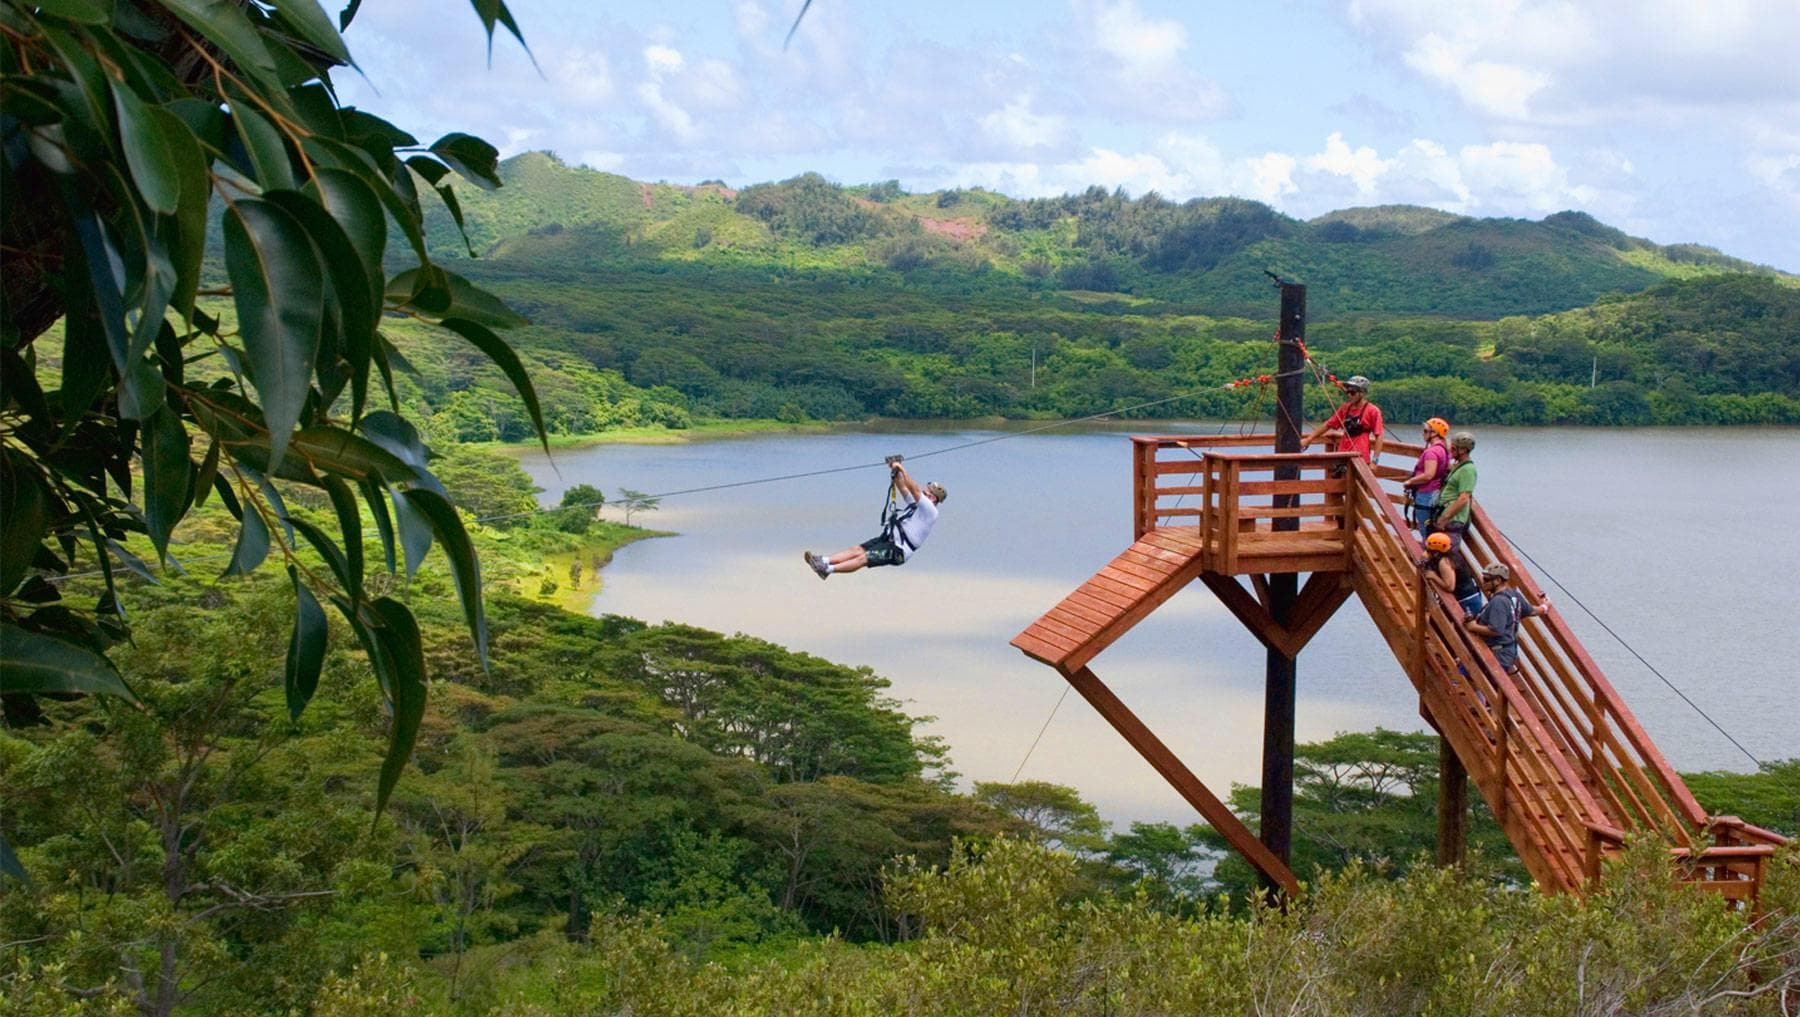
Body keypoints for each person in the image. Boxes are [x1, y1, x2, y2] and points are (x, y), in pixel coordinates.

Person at [805, 460, 945, 579]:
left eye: (926, 492)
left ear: (933, 498)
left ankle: (827, 570)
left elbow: (913, 488)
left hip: (898, 550)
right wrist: (895, 470)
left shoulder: (931, 511)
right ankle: (823, 560)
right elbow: (902, 486)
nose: (923, 491)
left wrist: (902, 468)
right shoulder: (916, 505)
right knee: (857, 549)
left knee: (863, 559)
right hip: (888, 539)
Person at [1463, 563, 1550, 675]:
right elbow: (1532, 611)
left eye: (1487, 579)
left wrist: (1473, 626)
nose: (1484, 582)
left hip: (1496, 655)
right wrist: (1545, 606)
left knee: (1462, 677)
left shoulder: (1498, 602)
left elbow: (1496, 630)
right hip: (1506, 652)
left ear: (1498, 580)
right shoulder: (1513, 595)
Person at [1301, 375, 1384, 464]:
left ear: (1362, 393)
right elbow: (1328, 424)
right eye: (1348, 392)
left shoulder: (1372, 411)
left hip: (1360, 458)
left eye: (1353, 393)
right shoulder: (1345, 408)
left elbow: (1379, 436)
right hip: (1342, 454)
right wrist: (1309, 439)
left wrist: (1375, 461)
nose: (1349, 395)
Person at [1402, 417, 1451, 539]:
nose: (1422, 434)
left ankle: (1428, 555)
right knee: (1431, 530)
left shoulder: (1431, 452)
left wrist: (1410, 481)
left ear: (1434, 433)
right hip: (1436, 493)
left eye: (1425, 431)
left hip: (1426, 495)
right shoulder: (1444, 449)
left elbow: (1429, 475)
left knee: (1426, 531)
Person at [1431, 431, 1478, 552]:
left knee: (1447, 556)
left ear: (1462, 450)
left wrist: (1445, 517)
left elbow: (1463, 498)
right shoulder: (1458, 466)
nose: (1450, 451)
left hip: (1453, 519)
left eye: (1453, 449)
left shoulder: (1468, 470)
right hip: (1445, 514)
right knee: (1436, 554)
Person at [1418, 531, 1483, 618]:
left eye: (1428, 549)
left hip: (1466, 600)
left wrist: (1433, 576)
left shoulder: (1445, 562)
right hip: (1471, 597)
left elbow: (1450, 586)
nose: (1426, 551)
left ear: (1435, 552)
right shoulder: (1452, 556)